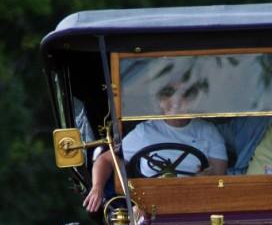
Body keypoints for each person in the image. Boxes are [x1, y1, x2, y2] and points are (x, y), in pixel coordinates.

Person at [83, 79, 227, 213]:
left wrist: (204, 179)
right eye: (169, 94)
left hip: (196, 202)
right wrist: (97, 187)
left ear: (193, 101)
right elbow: (106, 160)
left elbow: (220, 180)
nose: (176, 101)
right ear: (160, 101)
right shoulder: (145, 131)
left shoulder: (208, 132)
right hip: (149, 204)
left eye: (185, 95)